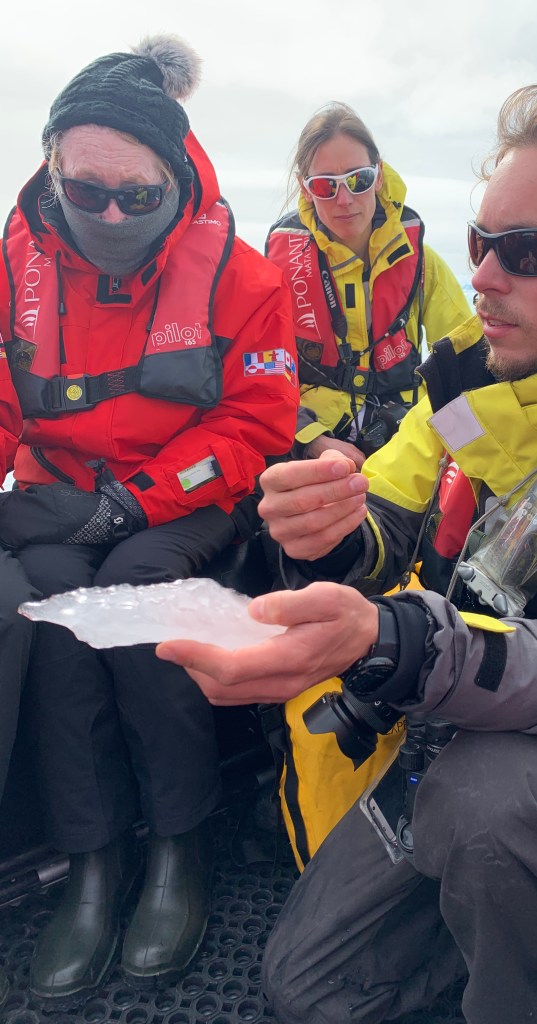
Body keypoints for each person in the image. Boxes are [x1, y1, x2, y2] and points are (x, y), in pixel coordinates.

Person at [157, 84, 537, 1024]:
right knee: (312, 989)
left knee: (501, 802)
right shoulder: (469, 379)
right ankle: (503, 894)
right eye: (481, 242)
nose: (482, 276)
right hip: (473, 696)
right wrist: (328, 533)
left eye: (529, 252)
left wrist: (392, 641)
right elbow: (389, 515)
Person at [0, 34, 298, 1002]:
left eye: (137, 195)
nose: (111, 214)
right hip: (56, 494)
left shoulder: (245, 280)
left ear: (175, 178)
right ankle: (92, 855)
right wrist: (71, 507)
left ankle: (179, 841)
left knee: (136, 586)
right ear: (52, 171)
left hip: (185, 500)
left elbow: (256, 423)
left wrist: (130, 504)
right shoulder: (12, 268)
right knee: (46, 596)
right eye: (88, 192)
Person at [265, 101, 470, 469]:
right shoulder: (278, 271)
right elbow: (257, 375)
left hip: (407, 444)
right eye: (325, 186)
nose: (344, 200)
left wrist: (424, 443)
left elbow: (466, 365)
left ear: (378, 175)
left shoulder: (424, 265)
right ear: (305, 189)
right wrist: (311, 440)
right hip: (308, 447)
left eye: (358, 179)